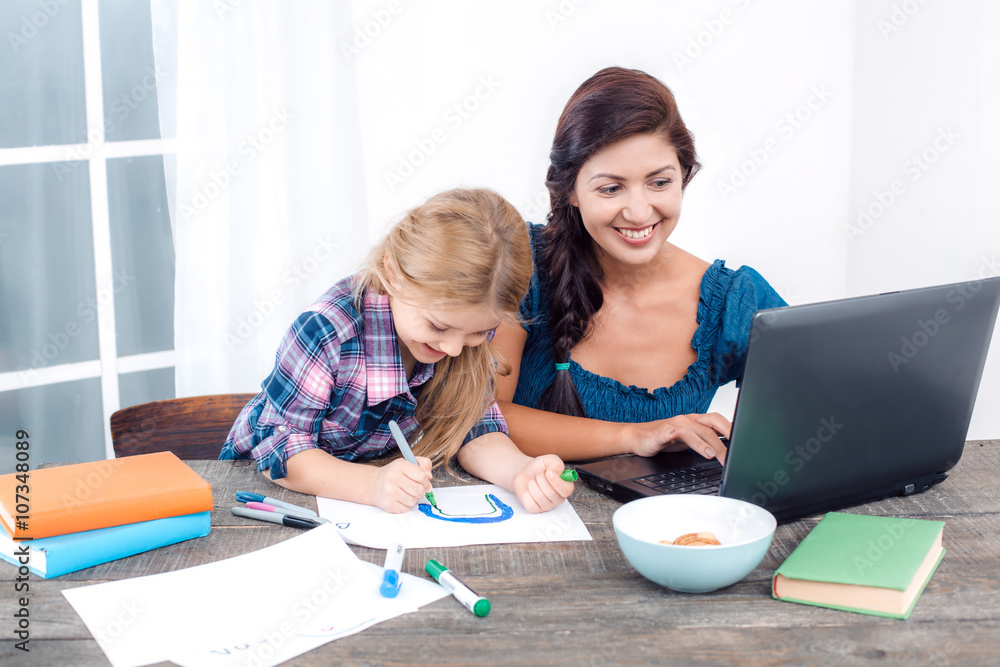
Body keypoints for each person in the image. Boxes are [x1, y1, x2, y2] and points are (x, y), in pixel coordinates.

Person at [492, 67, 787, 465]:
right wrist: (635, 436)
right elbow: (485, 418)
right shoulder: (520, 264)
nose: (638, 211)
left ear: (684, 175)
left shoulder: (734, 301)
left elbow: (827, 404)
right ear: (571, 192)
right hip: (535, 516)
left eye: (660, 182)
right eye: (611, 188)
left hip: (664, 523)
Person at [221, 188, 575, 514]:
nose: (453, 349)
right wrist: (371, 485)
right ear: (392, 272)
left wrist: (518, 472)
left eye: (480, 333)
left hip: (358, 504)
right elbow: (279, 453)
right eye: (437, 326)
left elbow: (475, 427)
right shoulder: (327, 332)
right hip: (260, 497)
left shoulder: (463, 327)